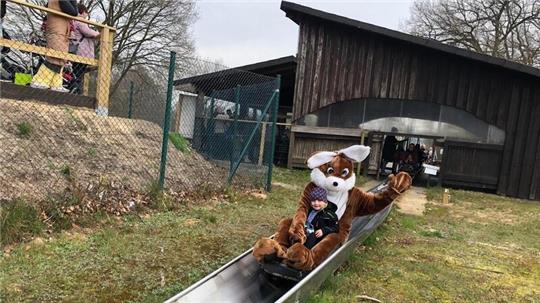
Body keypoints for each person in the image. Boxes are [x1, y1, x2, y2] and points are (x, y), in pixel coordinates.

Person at [31, 0, 78, 92]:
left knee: (61, 58)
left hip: (62, 30)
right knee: (54, 56)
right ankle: (39, 80)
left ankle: (56, 83)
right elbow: (73, 12)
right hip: (57, 30)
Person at [68, 3, 99, 94]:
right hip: (82, 51)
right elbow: (88, 32)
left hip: (77, 49)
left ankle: (74, 88)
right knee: (79, 72)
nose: (87, 15)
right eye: (87, 12)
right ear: (83, 12)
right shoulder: (80, 20)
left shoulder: (74, 20)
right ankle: (75, 89)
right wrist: (98, 33)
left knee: (77, 71)